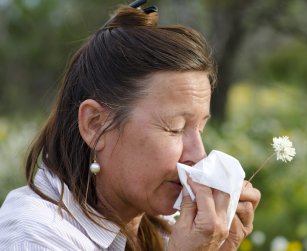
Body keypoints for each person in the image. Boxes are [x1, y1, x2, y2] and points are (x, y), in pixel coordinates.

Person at [0, 2, 261, 250]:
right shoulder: (31, 236)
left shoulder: (164, 231)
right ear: (95, 124)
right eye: (175, 128)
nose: (198, 156)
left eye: (200, 129)